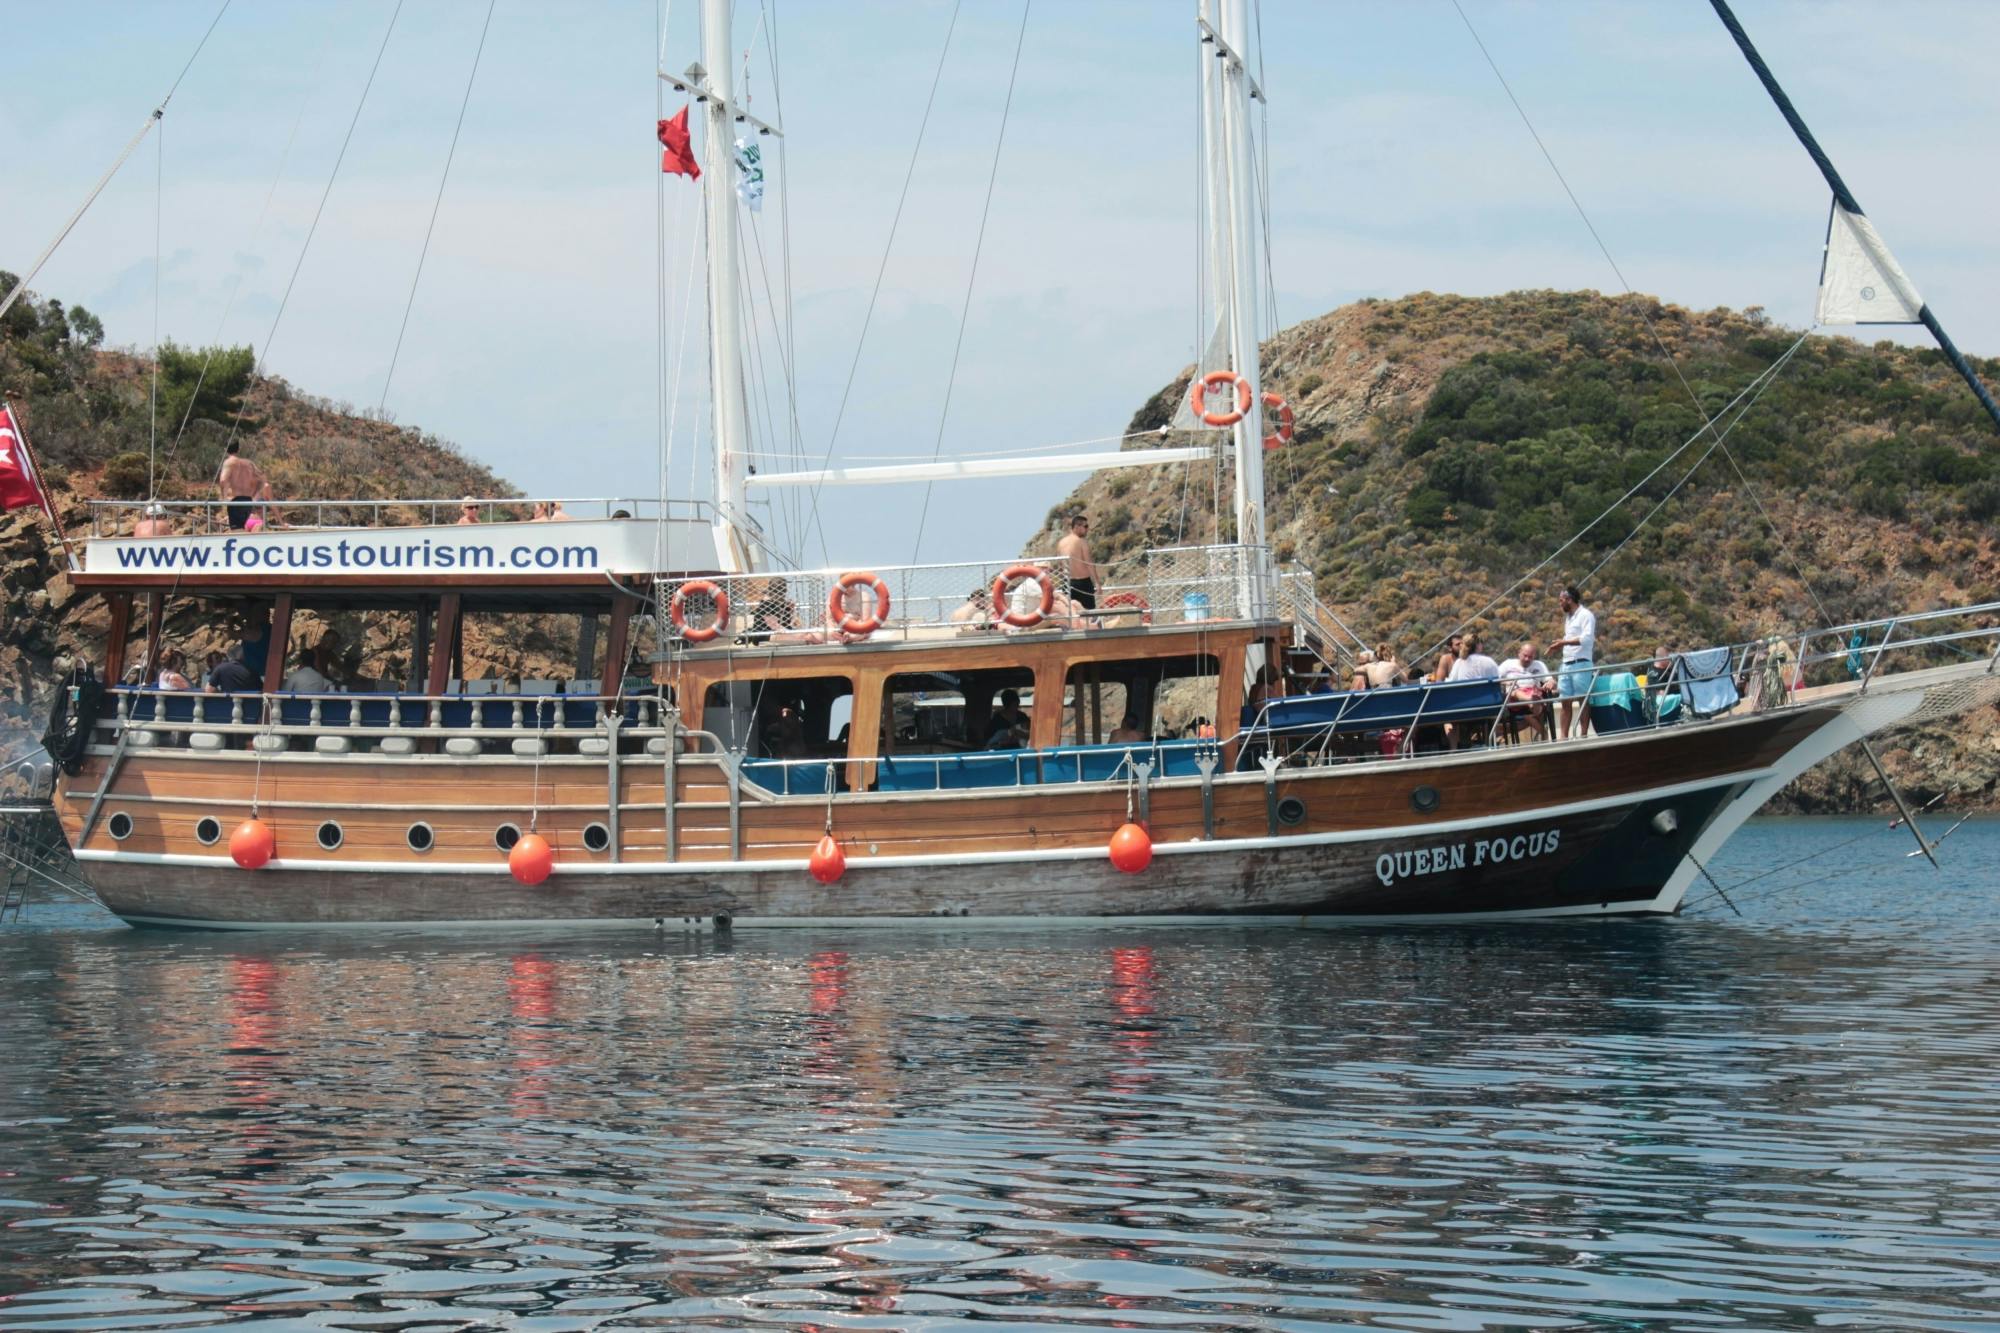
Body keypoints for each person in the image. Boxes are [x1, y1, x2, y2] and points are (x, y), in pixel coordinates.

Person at [1551, 585, 1597, 739]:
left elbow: (1586, 638)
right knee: (1565, 701)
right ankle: (1563, 737)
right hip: (1567, 663)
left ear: (1569, 600)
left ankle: (1583, 735)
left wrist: (1563, 643)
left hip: (1581, 663)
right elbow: (1569, 638)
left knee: (1582, 699)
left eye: (1561, 600)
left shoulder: (1586, 615)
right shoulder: (1568, 618)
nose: (1560, 604)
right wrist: (1558, 646)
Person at [1498, 640, 1554, 741]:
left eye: (1530, 657)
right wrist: (1506, 682)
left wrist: (1550, 683)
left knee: (1535, 698)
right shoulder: (1508, 664)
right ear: (1519, 653)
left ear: (1534, 656)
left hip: (1534, 691)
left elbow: (1550, 680)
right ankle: (1544, 734)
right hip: (1515, 694)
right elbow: (1495, 680)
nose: (1527, 659)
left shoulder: (1539, 665)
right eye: (1525, 655)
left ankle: (1532, 702)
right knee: (1518, 693)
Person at [217, 441, 270, 531]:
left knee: (236, 530)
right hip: (248, 501)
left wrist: (224, 497)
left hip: (236, 501)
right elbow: (262, 479)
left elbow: (222, 480)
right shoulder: (248, 463)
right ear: (238, 450)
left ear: (225, 450)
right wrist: (254, 494)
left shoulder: (229, 462)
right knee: (242, 528)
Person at [1056, 513, 1097, 612]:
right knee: (1089, 613)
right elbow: (1089, 563)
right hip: (1083, 583)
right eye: (1085, 526)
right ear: (1077, 526)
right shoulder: (1081, 541)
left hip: (1067, 583)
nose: (1087, 529)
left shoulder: (1061, 543)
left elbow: (1060, 565)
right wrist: (1097, 583)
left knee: (1072, 613)